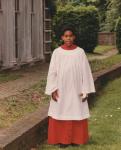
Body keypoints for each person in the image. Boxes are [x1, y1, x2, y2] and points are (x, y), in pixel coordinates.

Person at [45, 26, 96, 148]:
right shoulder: (57, 53)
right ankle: (62, 140)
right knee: (60, 112)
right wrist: (52, 89)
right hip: (61, 88)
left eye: (70, 36)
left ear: (74, 37)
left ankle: (76, 139)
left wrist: (85, 90)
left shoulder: (80, 52)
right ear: (62, 37)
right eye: (66, 36)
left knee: (76, 111)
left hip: (76, 88)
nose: (68, 38)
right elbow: (52, 72)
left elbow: (86, 72)